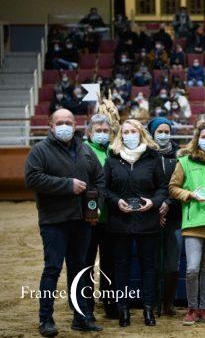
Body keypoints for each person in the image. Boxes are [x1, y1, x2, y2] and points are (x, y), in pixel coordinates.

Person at [25, 109, 105, 337]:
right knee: (52, 269)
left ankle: (80, 317)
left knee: (79, 270)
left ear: (76, 125)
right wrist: (66, 185)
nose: (65, 126)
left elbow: (99, 179)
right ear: (51, 126)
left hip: (82, 221)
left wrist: (94, 205)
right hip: (54, 221)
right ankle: (45, 319)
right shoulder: (40, 150)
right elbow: (32, 178)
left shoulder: (85, 150)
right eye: (60, 122)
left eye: (69, 122)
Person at [102, 119, 168, 327]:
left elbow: (163, 187)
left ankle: (149, 309)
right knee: (121, 267)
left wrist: (154, 202)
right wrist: (116, 201)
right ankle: (123, 310)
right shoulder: (112, 158)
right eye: (126, 131)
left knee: (149, 266)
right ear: (121, 135)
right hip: (120, 222)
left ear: (141, 133)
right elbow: (105, 188)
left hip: (147, 221)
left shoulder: (153, 157)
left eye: (134, 131)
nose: (129, 134)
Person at [168, 121, 205, 325]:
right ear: (197, 138)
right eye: (204, 137)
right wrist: (189, 195)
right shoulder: (184, 162)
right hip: (193, 223)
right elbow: (173, 187)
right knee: (192, 268)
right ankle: (192, 308)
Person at [147, 118, 182, 317]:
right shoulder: (146, 154)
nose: (163, 134)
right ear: (152, 132)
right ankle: (151, 301)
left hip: (174, 216)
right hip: (150, 215)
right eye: (159, 131)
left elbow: (182, 183)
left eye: (166, 130)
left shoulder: (179, 155)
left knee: (172, 262)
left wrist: (169, 203)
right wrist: (156, 207)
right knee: (151, 261)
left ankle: (168, 302)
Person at [83, 114, 116, 321]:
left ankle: (109, 301)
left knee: (110, 262)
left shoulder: (114, 152)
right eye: (98, 131)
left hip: (111, 218)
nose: (102, 134)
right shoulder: (83, 151)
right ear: (89, 132)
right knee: (85, 261)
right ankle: (85, 304)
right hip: (89, 218)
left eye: (106, 131)